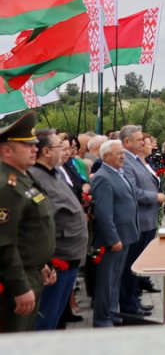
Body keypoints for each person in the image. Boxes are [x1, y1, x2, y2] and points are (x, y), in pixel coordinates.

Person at [0, 112, 56, 333]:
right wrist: (20, 288)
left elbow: (28, 231)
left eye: (34, 144)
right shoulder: (7, 186)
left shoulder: (23, 176)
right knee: (14, 338)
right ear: (7, 151)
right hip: (17, 276)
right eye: (27, 145)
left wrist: (41, 264)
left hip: (32, 270)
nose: (35, 149)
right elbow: (4, 243)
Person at [30, 130, 88, 330]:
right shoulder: (36, 177)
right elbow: (40, 222)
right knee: (45, 318)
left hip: (70, 255)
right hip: (58, 258)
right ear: (46, 151)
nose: (65, 151)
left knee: (54, 316)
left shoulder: (54, 173)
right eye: (59, 147)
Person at [91, 139, 140, 327]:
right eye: (119, 153)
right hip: (113, 240)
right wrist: (113, 238)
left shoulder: (118, 173)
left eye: (123, 153)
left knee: (115, 280)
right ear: (106, 156)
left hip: (124, 236)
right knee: (106, 281)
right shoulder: (103, 177)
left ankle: (112, 313)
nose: (123, 156)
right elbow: (103, 213)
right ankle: (102, 319)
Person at [119, 125, 165, 316]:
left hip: (147, 219)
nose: (142, 142)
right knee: (131, 266)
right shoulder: (126, 161)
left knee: (137, 265)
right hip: (138, 220)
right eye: (138, 140)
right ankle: (129, 306)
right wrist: (155, 197)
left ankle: (134, 301)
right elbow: (133, 191)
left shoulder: (137, 159)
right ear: (127, 142)